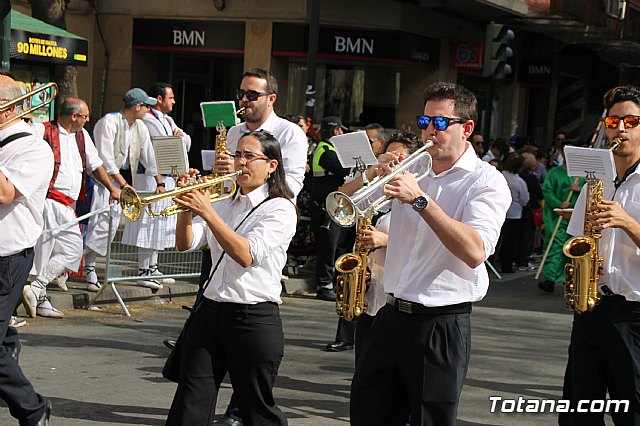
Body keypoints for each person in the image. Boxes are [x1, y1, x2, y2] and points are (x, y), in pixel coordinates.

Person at [350, 82, 511, 426]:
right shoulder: (411, 168)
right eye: (424, 122)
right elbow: (345, 205)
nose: (429, 131)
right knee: (366, 415)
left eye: (440, 124)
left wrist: (420, 201)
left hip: (441, 322)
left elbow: (474, 250)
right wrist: (373, 172)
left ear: (466, 129)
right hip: (390, 314)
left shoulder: (485, 181)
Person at [165, 130, 295, 426]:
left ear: (272, 165)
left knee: (256, 407)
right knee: (190, 401)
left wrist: (208, 211)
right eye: (238, 154)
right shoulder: (224, 203)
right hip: (209, 312)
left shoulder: (281, 208)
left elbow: (246, 255)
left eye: (250, 156)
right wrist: (185, 210)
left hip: (253, 317)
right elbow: (186, 243)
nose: (241, 162)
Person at [205, 69, 307, 426]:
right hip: (229, 212)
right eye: (242, 94)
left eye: (251, 95)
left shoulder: (290, 133)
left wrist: (254, 189)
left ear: (270, 99)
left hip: (266, 216)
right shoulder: (233, 131)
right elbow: (223, 181)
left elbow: (290, 184)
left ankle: (239, 411)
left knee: (253, 376)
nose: (243, 101)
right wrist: (222, 175)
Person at [559, 85, 640, 425]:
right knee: (578, 413)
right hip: (591, 308)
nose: (620, 129)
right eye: (613, 121)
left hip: (634, 317)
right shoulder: (598, 178)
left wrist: (627, 223)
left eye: (631, 121)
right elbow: (579, 240)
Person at [324, 132, 422, 358]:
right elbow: (339, 199)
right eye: (388, 156)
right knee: (364, 366)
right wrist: (371, 171)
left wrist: (385, 240)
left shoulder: (420, 191)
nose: (394, 162)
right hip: (369, 292)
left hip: (397, 294)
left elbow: (426, 241)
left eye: (400, 157)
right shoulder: (377, 186)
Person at [22, 97, 121, 318]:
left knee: (71, 251)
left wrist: (112, 188)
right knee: (44, 253)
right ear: (74, 116)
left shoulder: (82, 137)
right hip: (47, 202)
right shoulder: (42, 129)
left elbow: (95, 166)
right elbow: (20, 140)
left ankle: (37, 290)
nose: (88, 120)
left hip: (67, 206)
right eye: (85, 116)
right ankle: (40, 296)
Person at [0, 70, 53, 425]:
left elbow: (4, 193)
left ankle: (33, 410)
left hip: (7, 258)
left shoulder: (33, 147)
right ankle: (9, 342)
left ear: (6, 109)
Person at [83, 88, 165, 291]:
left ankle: (88, 267)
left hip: (122, 179)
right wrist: (122, 185)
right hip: (101, 179)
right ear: (137, 107)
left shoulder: (140, 127)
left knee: (109, 227)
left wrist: (159, 182)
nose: (148, 109)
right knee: (98, 223)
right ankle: (87, 268)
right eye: (146, 105)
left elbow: (149, 156)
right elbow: (105, 159)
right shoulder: (108, 122)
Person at [122, 82, 192, 285]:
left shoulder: (167, 119)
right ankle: (143, 269)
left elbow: (186, 141)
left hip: (167, 176)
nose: (174, 101)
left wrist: (178, 138)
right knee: (148, 222)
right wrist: (176, 138)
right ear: (160, 99)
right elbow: (166, 142)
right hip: (151, 177)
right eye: (170, 97)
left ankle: (153, 266)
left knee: (161, 222)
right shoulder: (149, 120)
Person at [311, 116, 352, 301]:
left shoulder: (327, 148)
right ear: (335, 131)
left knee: (334, 245)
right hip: (325, 206)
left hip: (331, 205)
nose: (342, 133)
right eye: (340, 130)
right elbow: (343, 170)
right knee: (328, 246)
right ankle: (324, 285)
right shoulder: (326, 150)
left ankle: (331, 283)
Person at [537, 139, 585, 293]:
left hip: (575, 217)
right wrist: (558, 203)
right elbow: (547, 190)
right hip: (557, 216)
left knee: (573, 247)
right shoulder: (554, 173)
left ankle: (569, 278)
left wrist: (579, 189)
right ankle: (550, 278)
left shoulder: (582, 175)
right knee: (555, 246)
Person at [498, 153, 529, 273]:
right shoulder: (519, 181)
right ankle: (507, 266)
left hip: (500, 211)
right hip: (515, 214)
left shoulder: (500, 176)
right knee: (510, 242)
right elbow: (524, 199)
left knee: (498, 239)